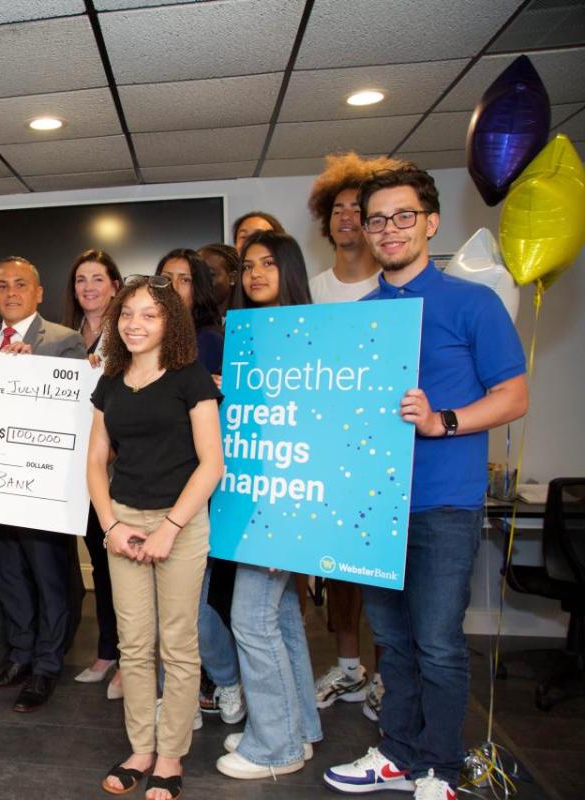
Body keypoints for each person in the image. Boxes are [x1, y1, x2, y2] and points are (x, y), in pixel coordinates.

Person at [324, 167, 528, 800]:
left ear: (430, 223)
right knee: (392, 641)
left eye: (402, 216)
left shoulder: (473, 303)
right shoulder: (360, 317)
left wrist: (443, 421)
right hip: (374, 506)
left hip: (443, 505)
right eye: (376, 219)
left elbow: (514, 396)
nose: (388, 229)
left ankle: (441, 766)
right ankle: (397, 753)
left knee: (438, 643)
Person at [90, 275, 223, 800]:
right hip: (124, 519)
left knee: (179, 645)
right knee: (135, 645)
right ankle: (140, 748)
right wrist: (112, 525)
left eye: (149, 314)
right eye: (127, 314)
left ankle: (171, 755)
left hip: (181, 523)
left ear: (170, 321)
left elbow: (212, 463)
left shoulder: (190, 376)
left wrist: (169, 529)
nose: (135, 323)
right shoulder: (112, 376)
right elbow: (96, 462)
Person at [216, 231, 323, 781]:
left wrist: (289, 521)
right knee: (280, 620)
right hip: (248, 499)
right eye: (248, 265)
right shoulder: (247, 335)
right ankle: (295, 729)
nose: (256, 273)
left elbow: (310, 432)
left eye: (268, 264)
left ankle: (273, 747)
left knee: (251, 620)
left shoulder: (313, 335)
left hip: (284, 503)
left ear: (291, 269)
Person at [306, 152, 405, 721]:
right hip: (329, 456)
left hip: (385, 453)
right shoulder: (315, 290)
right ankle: (347, 666)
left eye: (357, 209)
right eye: (338, 210)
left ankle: (387, 677)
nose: (348, 219)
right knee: (340, 574)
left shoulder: (394, 286)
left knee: (386, 580)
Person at [0, 257, 86, 712]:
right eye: (2, 285)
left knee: (49, 579)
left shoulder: (63, 340)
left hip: (43, 487)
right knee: (11, 579)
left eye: (21, 284)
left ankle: (46, 667)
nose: (11, 292)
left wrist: (32, 368)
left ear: (39, 292)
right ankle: (20, 657)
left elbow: (76, 406)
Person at [154, 248, 244, 729]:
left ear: (199, 288)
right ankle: (177, 698)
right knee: (164, 605)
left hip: (198, 487)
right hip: (152, 485)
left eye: (184, 279)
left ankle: (226, 680)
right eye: (164, 278)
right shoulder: (145, 338)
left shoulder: (210, 340)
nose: (172, 287)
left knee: (189, 602)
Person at [61, 249, 124, 697]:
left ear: (115, 286)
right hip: (73, 467)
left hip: (121, 469)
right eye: (81, 279)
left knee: (121, 567)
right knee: (99, 568)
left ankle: (130, 658)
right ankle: (106, 650)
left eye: (98, 279)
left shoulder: (129, 332)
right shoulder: (62, 337)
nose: (89, 287)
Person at [197, 244, 239, 319]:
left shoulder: (250, 320)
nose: (200, 281)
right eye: (196, 275)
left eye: (209, 275)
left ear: (232, 278)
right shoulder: (187, 321)